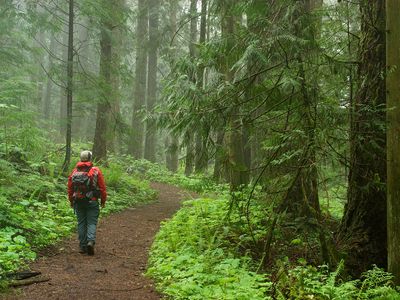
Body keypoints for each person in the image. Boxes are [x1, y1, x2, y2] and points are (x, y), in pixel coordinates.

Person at [67, 150, 107, 255]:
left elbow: (70, 188)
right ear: (90, 158)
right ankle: (90, 241)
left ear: (81, 159)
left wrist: (71, 200)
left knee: (81, 223)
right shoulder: (95, 170)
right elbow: (102, 187)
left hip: (78, 201)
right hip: (92, 200)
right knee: (91, 222)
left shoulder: (74, 171)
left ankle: (82, 246)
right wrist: (103, 200)